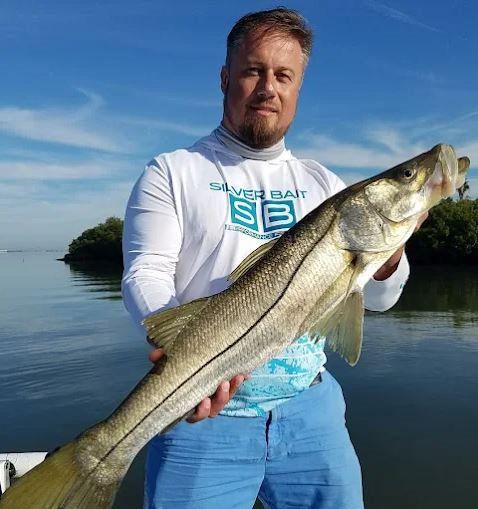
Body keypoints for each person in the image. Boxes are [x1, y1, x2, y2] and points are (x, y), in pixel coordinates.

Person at [122, 8, 414, 509]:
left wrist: (387, 258)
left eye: (283, 75)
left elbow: (379, 302)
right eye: (253, 71)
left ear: (298, 88)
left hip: (313, 413)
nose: (267, 88)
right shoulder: (172, 171)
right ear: (225, 78)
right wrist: (182, 355)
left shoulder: (326, 184)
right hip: (202, 415)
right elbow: (146, 272)